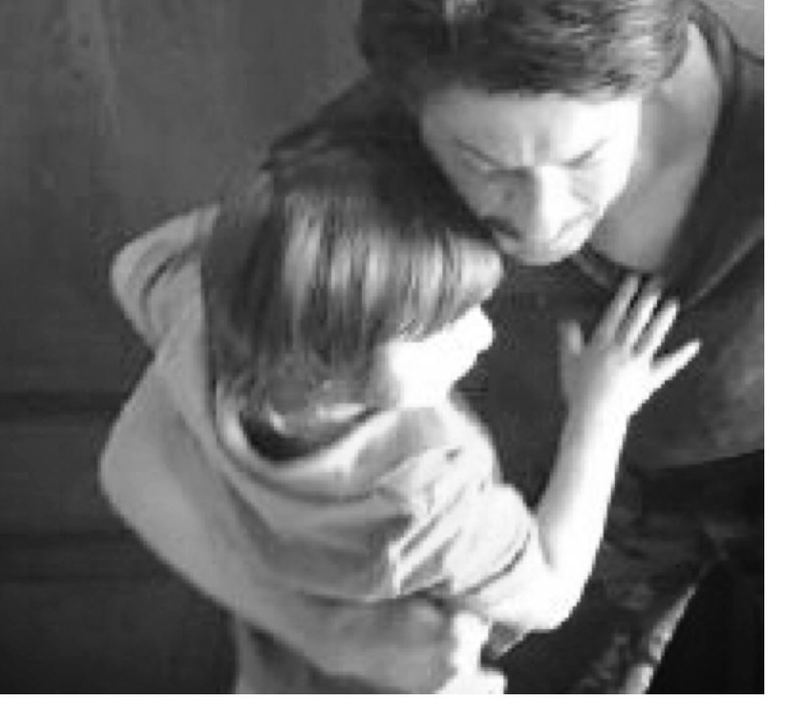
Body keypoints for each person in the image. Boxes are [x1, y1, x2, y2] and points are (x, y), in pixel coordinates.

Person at [100, 0, 762, 692]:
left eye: (585, 157)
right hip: (483, 572)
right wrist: (335, 638)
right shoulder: (367, 157)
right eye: (484, 164)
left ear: (659, 71)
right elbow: (144, 460)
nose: (539, 223)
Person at [117, 117, 699, 692]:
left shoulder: (196, 322)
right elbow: (550, 593)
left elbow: (132, 268)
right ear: (320, 363)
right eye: (438, 327)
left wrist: (275, 241)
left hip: (276, 659)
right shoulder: (422, 501)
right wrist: (600, 414)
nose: (483, 335)